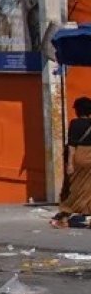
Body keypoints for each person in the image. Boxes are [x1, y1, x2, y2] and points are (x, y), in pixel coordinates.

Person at [53, 96, 91, 228]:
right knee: (88, 187)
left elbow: (72, 145)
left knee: (73, 186)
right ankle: (87, 210)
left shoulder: (75, 123)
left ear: (78, 110)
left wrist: (69, 163)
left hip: (79, 156)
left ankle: (67, 211)